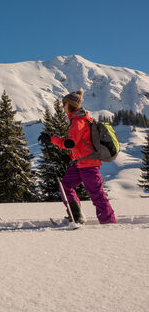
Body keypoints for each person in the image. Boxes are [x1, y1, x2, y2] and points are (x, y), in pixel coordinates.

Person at [38, 90, 116, 224]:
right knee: (65, 185)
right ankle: (76, 216)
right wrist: (71, 157)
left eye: (64, 104)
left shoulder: (78, 120)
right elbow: (81, 143)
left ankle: (109, 222)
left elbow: (70, 143)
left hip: (89, 164)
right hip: (80, 163)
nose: (62, 106)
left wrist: (50, 139)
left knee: (97, 194)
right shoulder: (78, 119)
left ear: (72, 105)